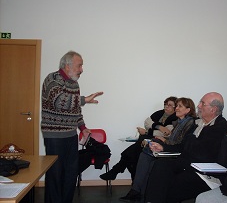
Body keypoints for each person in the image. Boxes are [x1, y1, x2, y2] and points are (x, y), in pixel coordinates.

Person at [144, 92, 227, 203]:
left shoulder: (221, 128)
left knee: (171, 183)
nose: (198, 106)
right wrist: (163, 148)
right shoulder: (199, 123)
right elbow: (183, 146)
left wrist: (190, 144)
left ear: (213, 109)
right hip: (187, 164)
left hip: (203, 173)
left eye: (202, 103)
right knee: (161, 164)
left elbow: (203, 155)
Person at [41, 51, 103, 203]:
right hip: (54, 136)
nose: (82, 69)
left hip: (70, 135)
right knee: (55, 174)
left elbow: (75, 109)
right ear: (67, 66)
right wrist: (84, 99)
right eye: (79, 65)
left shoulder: (74, 83)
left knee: (70, 174)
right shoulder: (52, 79)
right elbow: (60, 101)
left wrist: (82, 127)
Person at [119, 97, 197, 202]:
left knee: (144, 153)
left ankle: (138, 191)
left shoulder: (189, 123)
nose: (176, 108)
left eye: (179, 106)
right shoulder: (179, 122)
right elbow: (149, 123)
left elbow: (179, 143)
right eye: (176, 105)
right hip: (170, 146)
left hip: (176, 152)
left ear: (188, 110)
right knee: (144, 153)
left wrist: (164, 141)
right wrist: (164, 138)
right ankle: (140, 192)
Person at [100, 96, 178, 181]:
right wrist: (159, 126)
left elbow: (166, 134)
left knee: (129, 154)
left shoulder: (175, 119)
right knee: (132, 158)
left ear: (175, 107)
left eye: (170, 105)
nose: (166, 106)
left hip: (157, 143)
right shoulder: (159, 113)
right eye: (165, 104)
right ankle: (128, 180)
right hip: (146, 140)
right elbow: (147, 122)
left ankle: (116, 171)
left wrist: (148, 132)